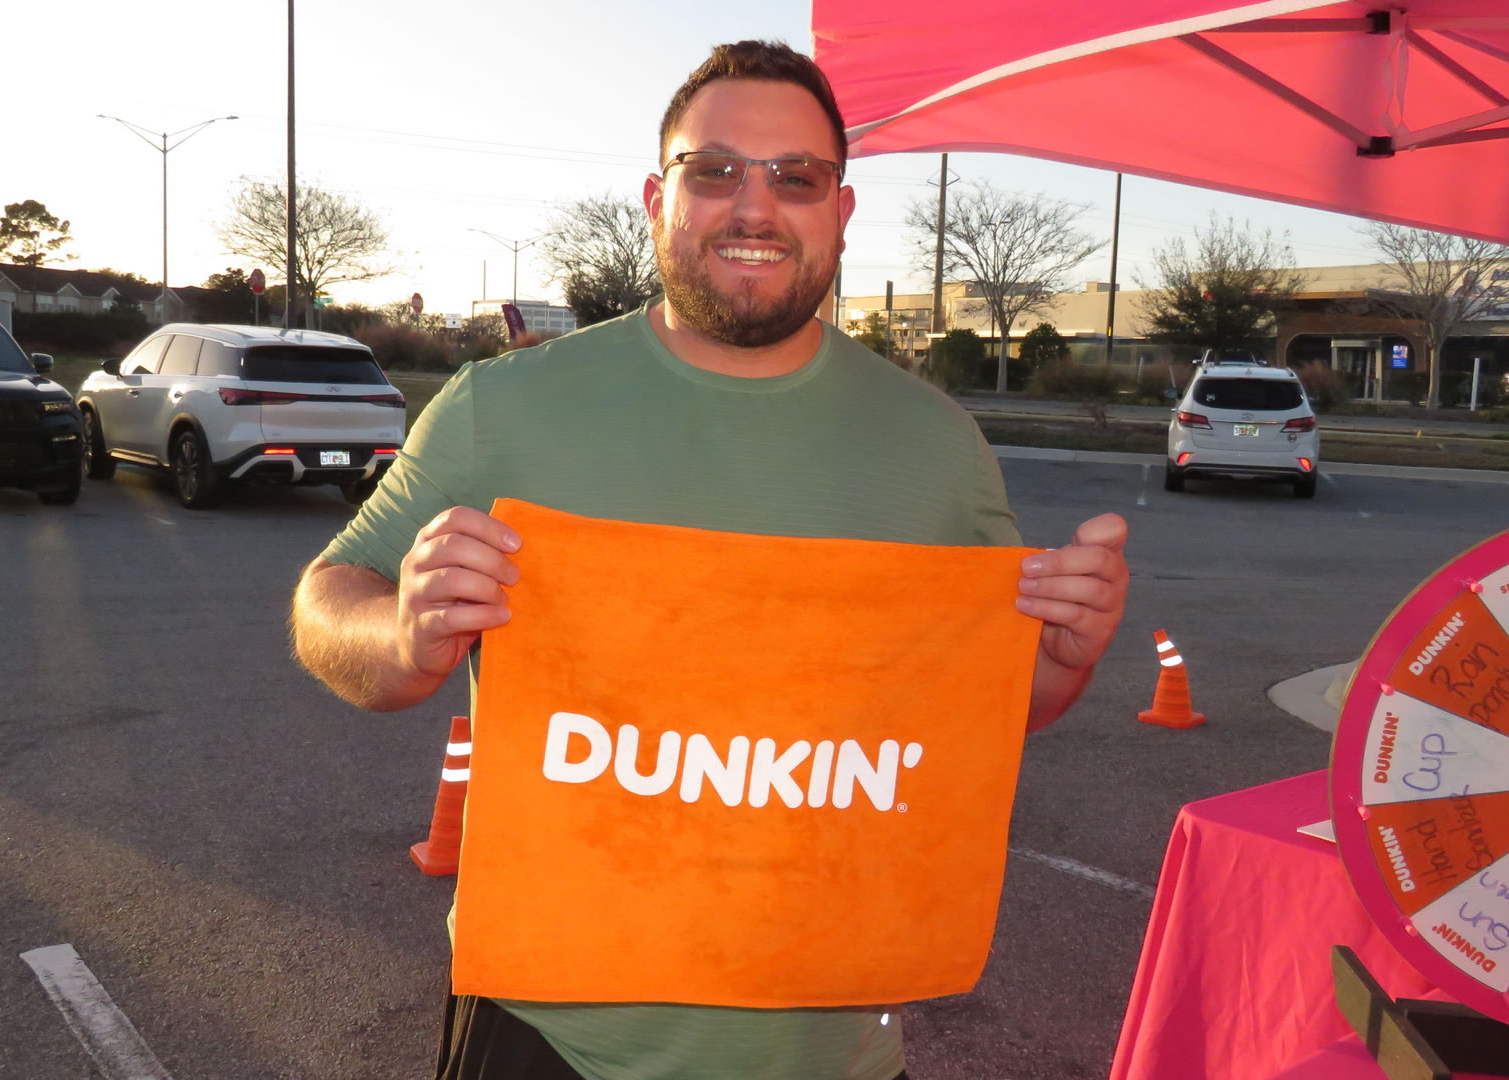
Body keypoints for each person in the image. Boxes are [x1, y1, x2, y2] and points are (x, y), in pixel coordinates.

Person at [290, 39, 1129, 1080]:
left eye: (797, 177)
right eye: (715, 169)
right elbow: (328, 601)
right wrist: (402, 635)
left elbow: (995, 705)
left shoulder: (937, 447)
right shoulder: (502, 407)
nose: (755, 206)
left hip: (833, 1052)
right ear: (659, 198)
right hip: (551, 1040)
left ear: (841, 211)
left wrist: (1067, 655)